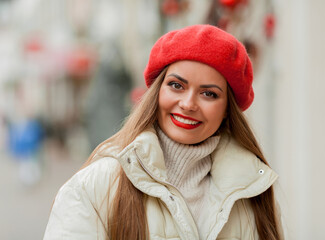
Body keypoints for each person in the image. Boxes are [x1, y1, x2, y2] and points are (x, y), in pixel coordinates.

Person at [44, 25, 282, 240]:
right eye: (176, 85)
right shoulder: (95, 186)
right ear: (157, 93)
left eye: (209, 93)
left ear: (227, 110)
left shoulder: (251, 191)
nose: (188, 104)